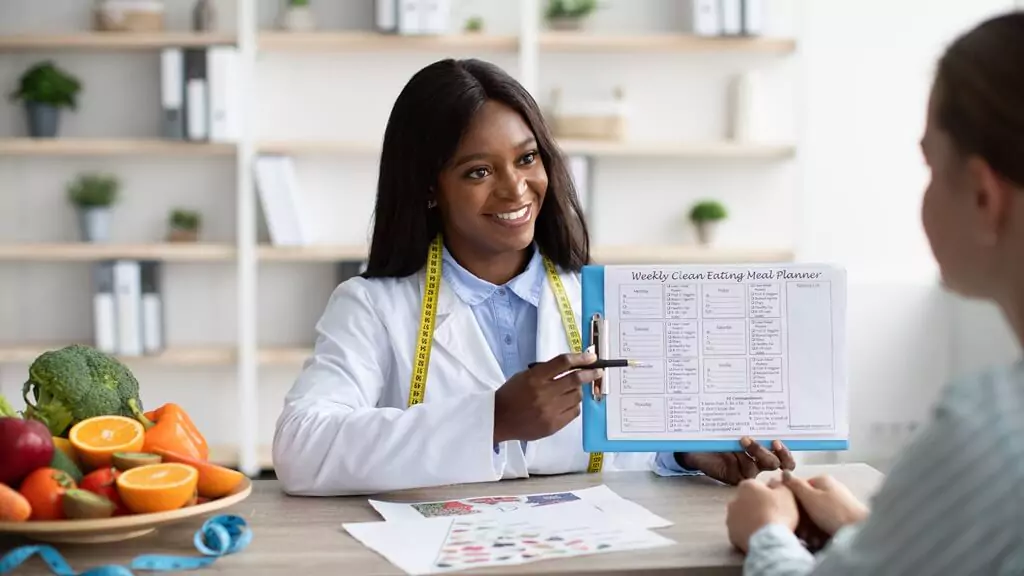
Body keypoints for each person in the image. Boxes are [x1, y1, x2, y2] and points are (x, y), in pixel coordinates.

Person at [271, 57, 796, 496]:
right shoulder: (371, 306)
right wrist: (493, 420)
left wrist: (684, 451)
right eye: (479, 171)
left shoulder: (600, 298)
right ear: (429, 188)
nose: (515, 188)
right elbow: (301, 447)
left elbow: (612, 446)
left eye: (527, 158)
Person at [724, 10, 1024, 575]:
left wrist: (766, 533)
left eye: (929, 166)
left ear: (984, 197)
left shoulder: (987, 431)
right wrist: (868, 532)